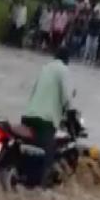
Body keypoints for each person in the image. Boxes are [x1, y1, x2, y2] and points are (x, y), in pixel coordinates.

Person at [22, 47, 72, 187]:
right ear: (67, 60)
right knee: (48, 153)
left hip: (28, 116)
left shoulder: (45, 68)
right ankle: (41, 186)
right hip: (44, 121)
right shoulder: (63, 70)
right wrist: (70, 110)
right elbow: (66, 97)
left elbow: (34, 92)